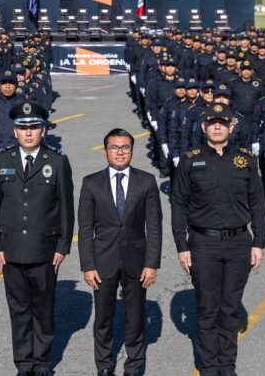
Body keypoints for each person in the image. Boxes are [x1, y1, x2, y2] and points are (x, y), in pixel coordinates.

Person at [171, 102, 265, 376]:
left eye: (222, 122)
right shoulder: (190, 160)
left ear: (231, 127)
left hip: (239, 243)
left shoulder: (246, 160)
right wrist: (182, 245)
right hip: (203, 243)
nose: (217, 126)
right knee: (207, 308)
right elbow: (179, 204)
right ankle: (209, 365)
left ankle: (227, 365)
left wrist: (258, 242)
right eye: (212, 122)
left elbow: (258, 204)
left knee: (230, 309)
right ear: (204, 126)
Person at [0, 101, 74, 376]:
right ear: (14, 132)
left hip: (45, 249)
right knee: (19, 309)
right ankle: (24, 363)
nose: (28, 133)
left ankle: (42, 362)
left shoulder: (57, 162)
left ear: (43, 131)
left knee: (43, 308)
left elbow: (66, 208)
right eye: (23, 128)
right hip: (11, 250)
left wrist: (62, 246)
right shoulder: (1, 161)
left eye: (34, 127)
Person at [78, 128, 162, 376]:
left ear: (132, 151)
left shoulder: (146, 181)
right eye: (114, 147)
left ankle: (134, 366)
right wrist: (88, 265)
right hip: (102, 261)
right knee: (103, 319)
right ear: (105, 151)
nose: (120, 152)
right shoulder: (91, 183)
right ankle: (104, 365)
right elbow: (85, 228)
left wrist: (152, 263)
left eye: (125, 147)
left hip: (137, 261)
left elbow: (154, 226)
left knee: (135, 318)